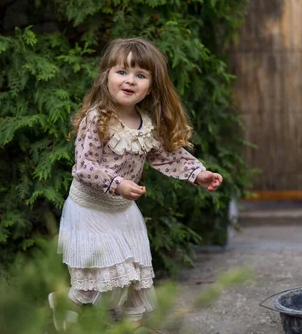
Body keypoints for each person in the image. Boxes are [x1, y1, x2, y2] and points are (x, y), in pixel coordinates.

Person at [51, 37, 223, 331]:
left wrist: (198, 173)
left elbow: (167, 155)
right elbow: (84, 166)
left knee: (135, 276)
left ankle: (135, 325)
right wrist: (117, 183)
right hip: (90, 210)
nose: (130, 81)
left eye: (140, 75)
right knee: (93, 281)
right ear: (106, 75)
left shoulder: (146, 123)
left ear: (151, 85)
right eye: (122, 72)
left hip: (123, 212)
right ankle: (66, 307)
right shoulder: (97, 119)